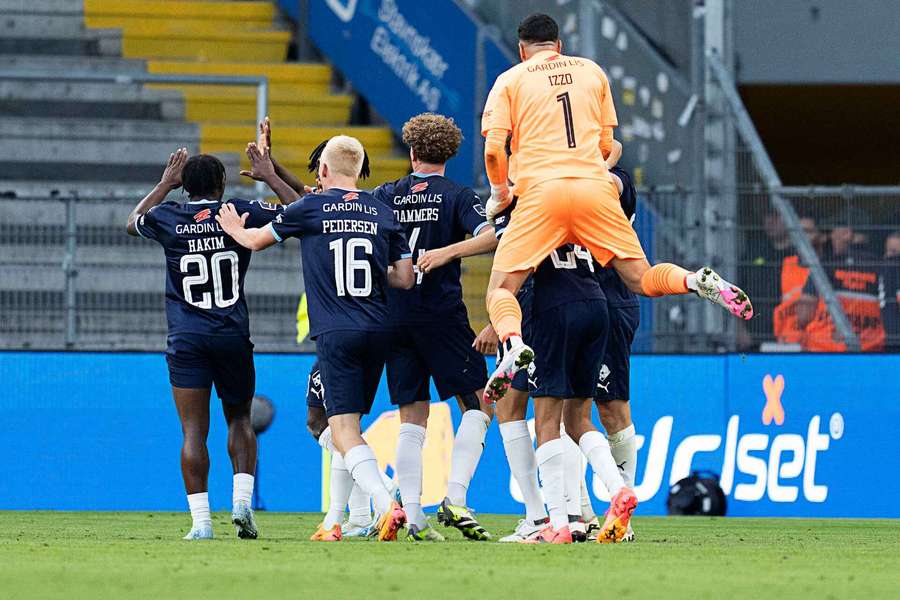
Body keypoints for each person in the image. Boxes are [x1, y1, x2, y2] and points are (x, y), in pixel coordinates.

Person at [480, 13, 753, 414]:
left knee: (501, 291)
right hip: (594, 188)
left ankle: (516, 344)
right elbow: (608, 147)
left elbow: (492, 150)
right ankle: (697, 279)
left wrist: (500, 195)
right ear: (559, 45)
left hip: (541, 194)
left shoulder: (511, 79)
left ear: (523, 51)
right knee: (641, 277)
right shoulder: (591, 72)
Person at [216, 135, 415, 542]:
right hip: (378, 329)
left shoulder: (310, 208)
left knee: (341, 429)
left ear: (323, 171)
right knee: (351, 427)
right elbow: (404, 278)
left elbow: (256, 241)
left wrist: (236, 227)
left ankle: (384, 504)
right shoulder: (382, 211)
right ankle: (338, 522)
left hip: (336, 332)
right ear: (360, 170)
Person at [126, 149, 285, 540]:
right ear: (222, 185)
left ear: (184, 186)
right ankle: (243, 502)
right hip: (232, 334)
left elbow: (131, 223)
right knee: (240, 419)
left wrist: (164, 183)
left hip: (187, 338)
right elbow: (303, 211)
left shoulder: (168, 217)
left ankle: (201, 524)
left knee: (193, 432)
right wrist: (271, 176)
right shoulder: (241, 211)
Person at [371, 113, 498, 542]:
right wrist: (445, 252)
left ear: (411, 152)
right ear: (450, 153)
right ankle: (455, 497)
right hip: (441, 315)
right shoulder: (459, 196)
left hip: (395, 314)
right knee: (481, 404)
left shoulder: (387, 194)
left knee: (412, 417)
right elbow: (492, 237)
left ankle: (413, 515)